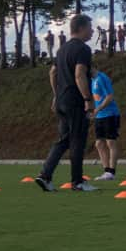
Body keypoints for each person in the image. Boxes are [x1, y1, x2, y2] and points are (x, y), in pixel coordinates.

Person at [35, 14, 98, 193]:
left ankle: (45, 175)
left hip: (62, 100)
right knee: (78, 140)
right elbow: (79, 74)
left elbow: (52, 73)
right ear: (81, 28)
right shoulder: (83, 49)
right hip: (75, 100)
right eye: (89, 28)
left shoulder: (62, 50)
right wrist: (87, 99)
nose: (92, 31)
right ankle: (77, 182)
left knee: (64, 140)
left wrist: (56, 95)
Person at [90, 61, 121, 181]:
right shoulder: (92, 81)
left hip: (110, 114)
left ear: (92, 67)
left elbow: (109, 96)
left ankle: (112, 172)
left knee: (111, 142)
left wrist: (98, 109)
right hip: (99, 116)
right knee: (98, 143)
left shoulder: (102, 78)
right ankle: (106, 171)